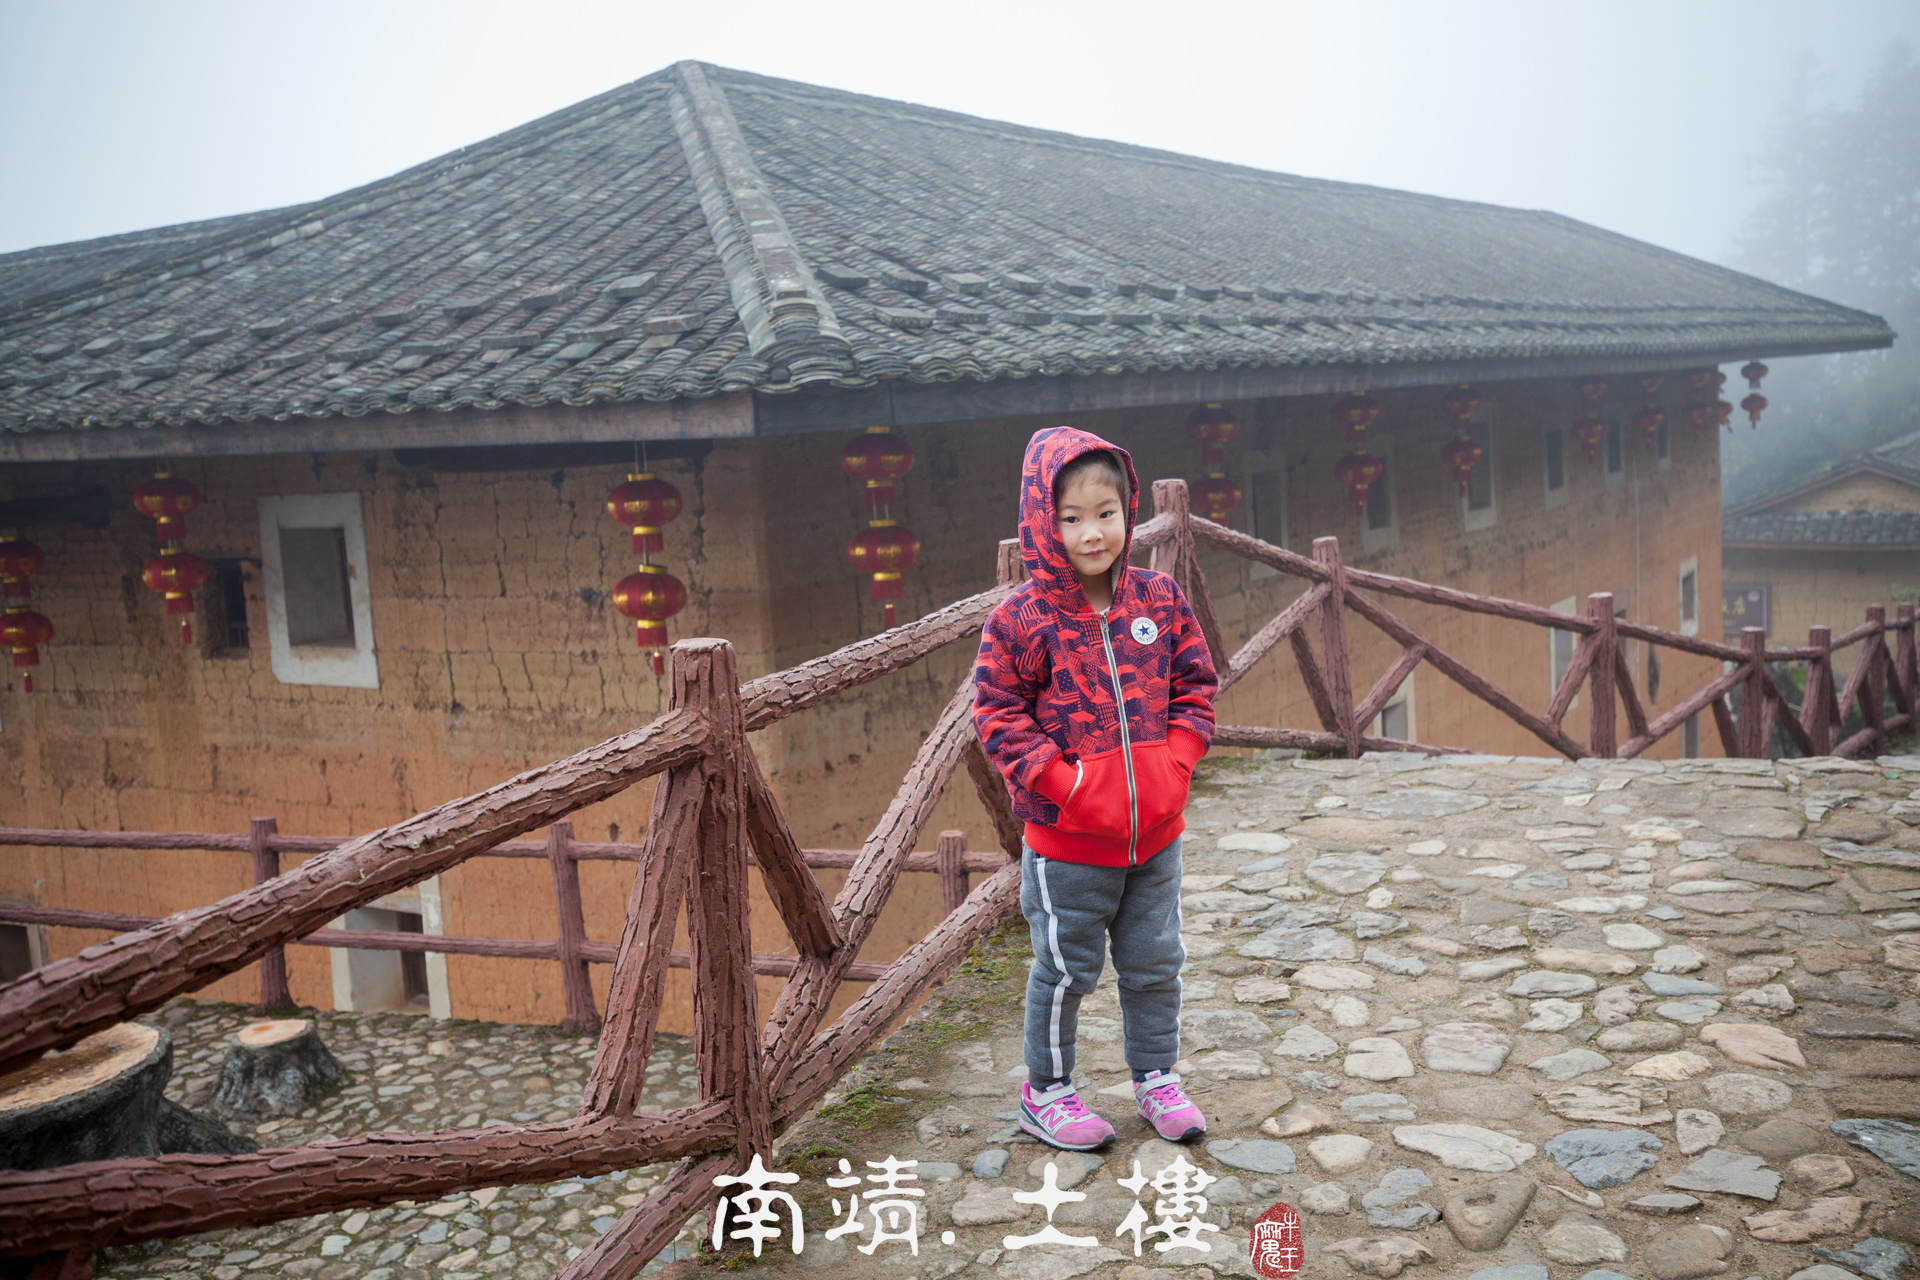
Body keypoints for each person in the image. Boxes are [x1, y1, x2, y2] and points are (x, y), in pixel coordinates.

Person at [973, 426, 1218, 1150]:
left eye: (1106, 513)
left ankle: (1156, 1077)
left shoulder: (1160, 599)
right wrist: (1065, 783)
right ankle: (1046, 1092)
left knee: (1154, 963)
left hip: (1156, 838)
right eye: (1070, 517)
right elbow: (995, 714)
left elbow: (1196, 689)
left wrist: (1175, 764)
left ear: (1129, 509)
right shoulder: (1019, 620)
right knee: (1066, 969)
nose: (1091, 533)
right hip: (1069, 843)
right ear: (1041, 522)